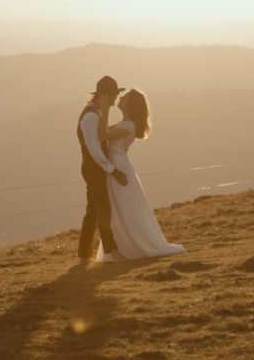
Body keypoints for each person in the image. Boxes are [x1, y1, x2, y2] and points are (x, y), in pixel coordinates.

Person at [95, 89, 185, 262]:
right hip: (116, 164)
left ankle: (130, 245)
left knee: (122, 205)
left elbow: (103, 136)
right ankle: (121, 245)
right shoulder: (124, 122)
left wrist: (106, 109)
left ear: (131, 104)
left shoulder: (129, 126)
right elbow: (104, 130)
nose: (121, 97)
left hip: (118, 166)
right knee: (118, 206)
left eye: (125, 97)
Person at [77, 76, 129, 262]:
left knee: (93, 210)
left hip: (94, 168)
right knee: (103, 208)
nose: (115, 99)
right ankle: (111, 250)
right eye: (114, 94)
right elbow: (94, 149)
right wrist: (113, 170)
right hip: (94, 169)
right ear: (105, 95)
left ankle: (84, 254)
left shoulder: (96, 113)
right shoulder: (91, 116)